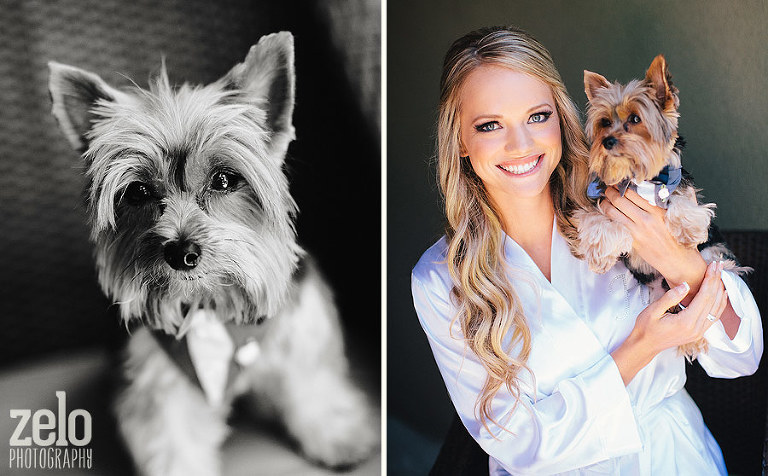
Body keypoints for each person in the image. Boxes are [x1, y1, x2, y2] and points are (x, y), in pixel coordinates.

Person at [411, 26, 763, 475]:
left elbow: (742, 355)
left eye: (537, 116)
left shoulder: (617, 203)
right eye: (490, 125)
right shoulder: (441, 279)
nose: (520, 145)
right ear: (459, 139)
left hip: (672, 456)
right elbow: (517, 446)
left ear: (560, 118)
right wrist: (644, 344)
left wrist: (678, 260)